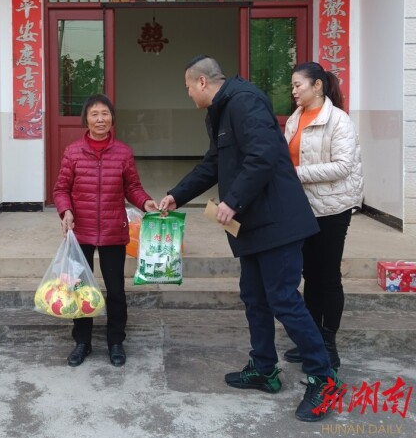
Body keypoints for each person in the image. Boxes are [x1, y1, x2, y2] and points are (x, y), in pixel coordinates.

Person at [158, 55, 340, 422]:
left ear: (203, 83)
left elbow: (264, 155)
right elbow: (213, 163)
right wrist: (177, 195)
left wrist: (233, 200)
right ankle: (264, 368)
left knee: (284, 300)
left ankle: (323, 379)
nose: (188, 94)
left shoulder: (244, 101)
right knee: (255, 297)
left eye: (188, 87)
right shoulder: (221, 112)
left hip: (277, 223)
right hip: (253, 227)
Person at [53, 94, 158, 367]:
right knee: (80, 288)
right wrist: (66, 211)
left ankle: (115, 342)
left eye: (105, 114)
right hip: (81, 231)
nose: (100, 119)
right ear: (85, 119)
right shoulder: (73, 152)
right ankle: (82, 342)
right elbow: (61, 189)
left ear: (112, 118)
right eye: (94, 114)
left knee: (116, 290)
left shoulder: (123, 152)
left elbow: (132, 187)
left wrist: (145, 201)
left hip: (113, 229)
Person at [282, 62, 364, 370]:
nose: (294, 92)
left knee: (327, 277)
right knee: (310, 275)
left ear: (318, 86)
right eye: (292, 86)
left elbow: (343, 166)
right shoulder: (295, 119)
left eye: (298, 85)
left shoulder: (338, 121)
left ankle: (328, 343)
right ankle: (311, 339)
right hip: (303, 209)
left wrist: (296, 173)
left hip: (332, 209)